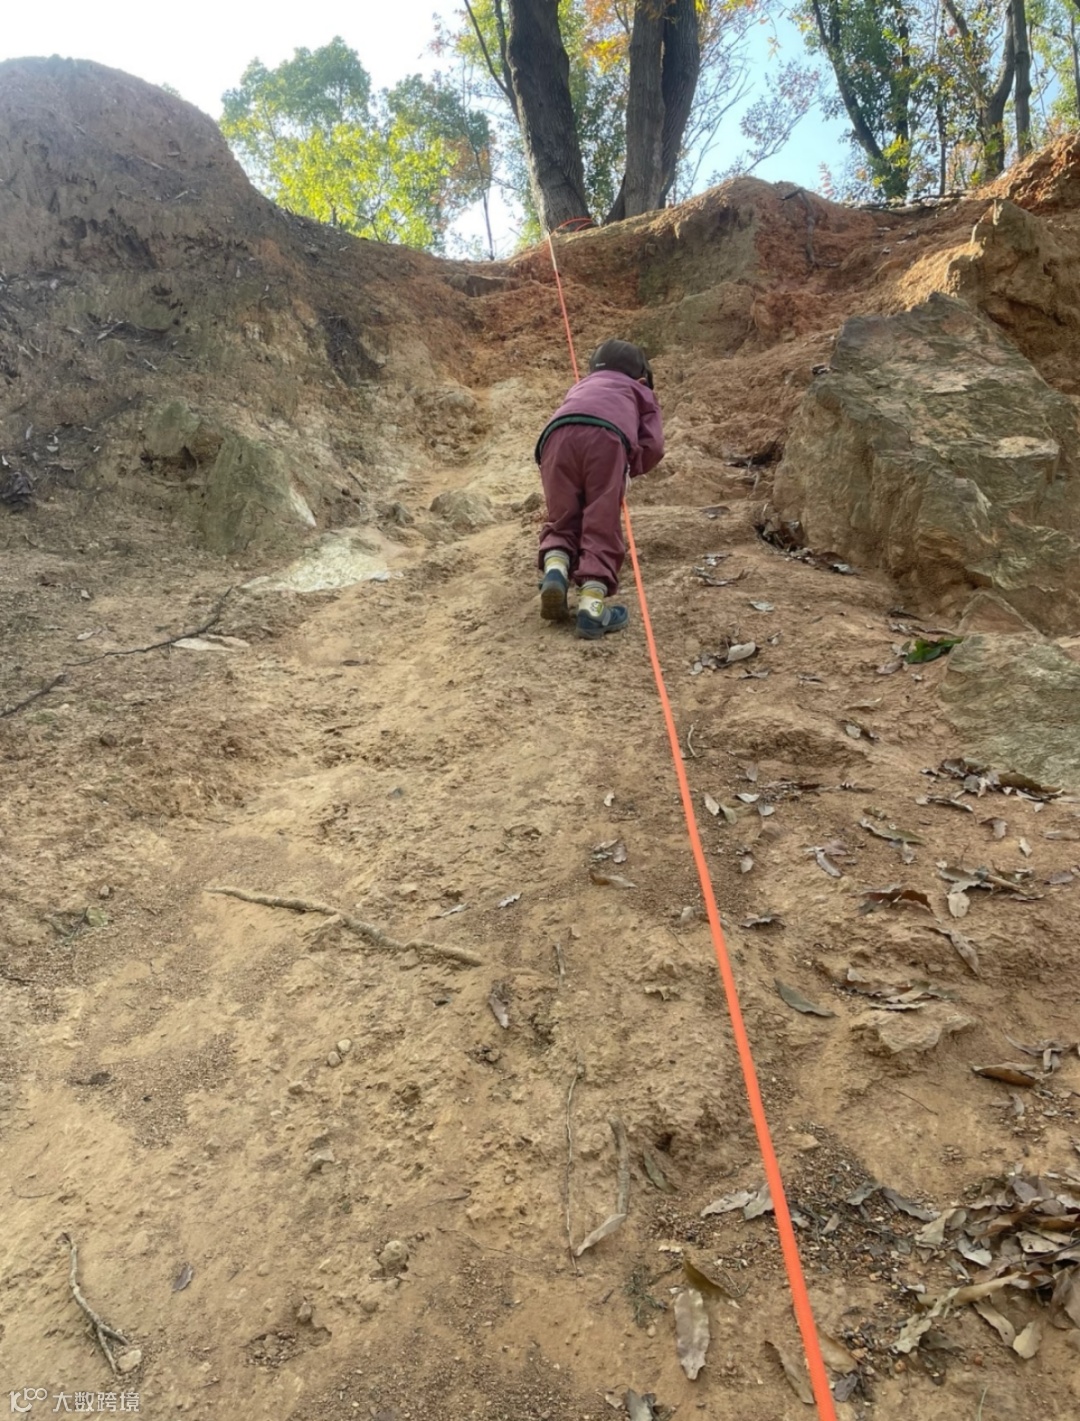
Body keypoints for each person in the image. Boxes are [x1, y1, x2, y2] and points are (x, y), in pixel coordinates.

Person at [534, 339, 665, 640]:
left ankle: (555, 571)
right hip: (606, 439)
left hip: (554, 438)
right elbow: (654, 445)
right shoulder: (638, 390)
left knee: (562, 517)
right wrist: (630, 467)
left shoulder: (582, 386)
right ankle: (591, 609)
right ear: (642, 378)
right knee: (601, 522)